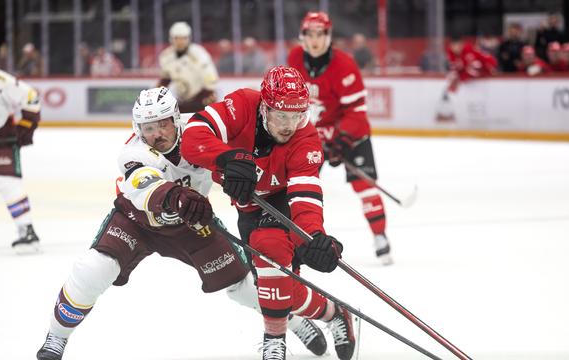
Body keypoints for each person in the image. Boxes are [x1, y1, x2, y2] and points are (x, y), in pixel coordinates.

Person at [35, 87, 328, 360]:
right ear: (138, 129)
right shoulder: (133, 153)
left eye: (163, 124)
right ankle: (56, 337)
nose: (157, 134)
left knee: (243, 285)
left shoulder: (200, 132)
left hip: (193, 223)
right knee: (95, 268)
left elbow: (244, 140)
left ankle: (292, 319)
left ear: (177, 118)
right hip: (136, 221)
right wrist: (175, 195)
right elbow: (143, 185)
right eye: (148, 128)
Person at [181, 66, 357, 360]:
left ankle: (274, 340)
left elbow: (306, 194)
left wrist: (313, 236)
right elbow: (194, 135)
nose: (289, 125)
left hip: (283, 201)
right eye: (281, 115)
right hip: (250, 208)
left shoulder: (306, 138)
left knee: (269, 249)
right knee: (277, 286)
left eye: (297, 115)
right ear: (264, 105)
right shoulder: (242, 106)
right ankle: (333, 312)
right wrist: (227, 157)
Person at [287, 11, 394, 265]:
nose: (314, 40)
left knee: (364, 185)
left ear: (328, 36)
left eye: (320, 34)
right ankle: (295, 240)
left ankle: (380, 236)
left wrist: (342, 139)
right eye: (309, 35)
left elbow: (356, 112)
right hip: (311, 135)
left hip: (349, 135)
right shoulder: (294, 59)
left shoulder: (345, 65)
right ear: (302, 37)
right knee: (299, 187)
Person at [0, 66, 41, 254]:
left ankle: (26, 230)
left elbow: (30, 96)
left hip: (1, 140)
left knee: (8, 184)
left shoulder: (0, 80)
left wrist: (25, 128)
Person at [158, 22, 219, 113]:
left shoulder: (199, 54)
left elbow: (209, 76)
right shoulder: (166, 56)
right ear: (171, 39)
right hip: (182, 101)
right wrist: (157, 96)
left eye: (183, 38)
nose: (180, 42)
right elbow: (165, 79)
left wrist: (209, 94)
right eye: (177, 38)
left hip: (201, 99)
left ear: (188, 38)